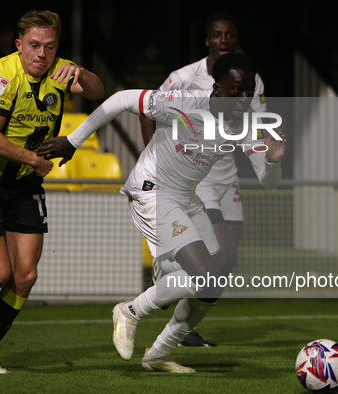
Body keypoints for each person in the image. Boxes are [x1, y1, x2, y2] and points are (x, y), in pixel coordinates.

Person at [39, 52, 286, 373]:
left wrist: (273, 161)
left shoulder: (248, 124)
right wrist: (74, 141)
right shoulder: (184, 103)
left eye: (249, 90)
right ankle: (130, 311)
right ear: (217, 87)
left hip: (186, 197)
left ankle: (158, 354)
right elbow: (122, 99)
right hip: (152, 189)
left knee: (213, 284)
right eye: (236, 89)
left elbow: (268, 182)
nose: (243, 98)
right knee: (203, 275)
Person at [0, 9, 104, 374]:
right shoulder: (2, 73)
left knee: (26, 276)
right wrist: (33, 159)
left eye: (49, 47)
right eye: (34, 45)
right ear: (19, 45)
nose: (41, 54)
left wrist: (80, 72)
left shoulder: (61, 70)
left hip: (25, 185)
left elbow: (98, 92)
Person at [139, 13, 267, 347]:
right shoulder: (184, 77)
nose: (223, 40)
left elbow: (253, 121)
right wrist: (153, 153)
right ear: (207, 40)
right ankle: (168, 279)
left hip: (229, 175)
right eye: (217, 35)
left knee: (229, 259)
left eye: (229, 35)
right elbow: (147, 108)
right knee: (217, 256)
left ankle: (182, 319)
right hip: (200, 176)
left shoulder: (252, 80)